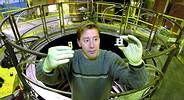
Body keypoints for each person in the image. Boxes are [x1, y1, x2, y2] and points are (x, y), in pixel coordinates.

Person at [36, 21, 148, 100]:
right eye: (86, 40)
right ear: (79, 43)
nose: (92, 45)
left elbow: (136, 83)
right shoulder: (72, 58)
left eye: (95, 39)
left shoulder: (111, 59)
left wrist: (137, 64)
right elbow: (48, 79)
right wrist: (46, 67)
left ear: (99, 39)